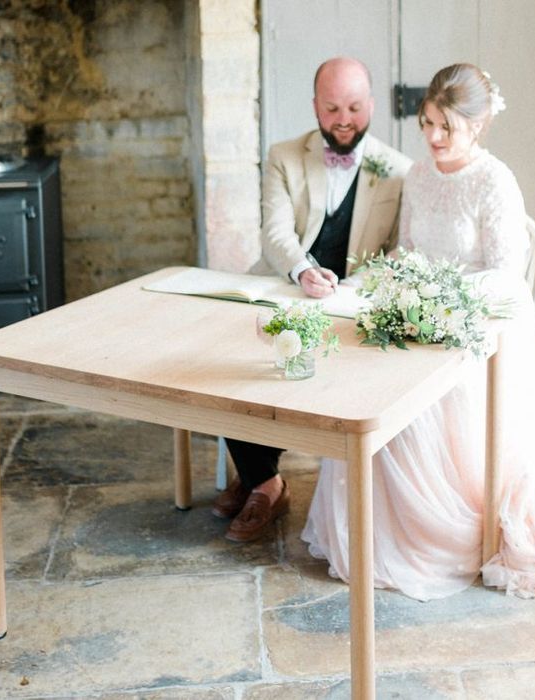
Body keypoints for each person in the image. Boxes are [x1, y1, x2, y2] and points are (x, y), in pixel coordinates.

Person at [301, 63, 535, 600]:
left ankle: (444, 529)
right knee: (366, 371)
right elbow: (406, 249)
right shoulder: (421, 174)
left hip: (474, 327)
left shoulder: (494, 180)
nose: (432, 137)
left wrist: (442, 303)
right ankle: (374, 523)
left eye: (446, 127)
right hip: (421, 315)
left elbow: (504, 275)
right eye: (427, 121)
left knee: (425, 389)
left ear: (477, 126)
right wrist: (398, 289)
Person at [213, 57, 413, 543]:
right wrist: (303, 270)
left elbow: (398, 251)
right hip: (283, 284)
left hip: (350, 302)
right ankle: (265, 479)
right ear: (314, 107)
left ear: (371, 104)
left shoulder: (399, 170)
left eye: (354, 107)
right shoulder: (284, 155)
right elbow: (275, 232)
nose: (343, 119)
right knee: (230, 352)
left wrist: (355, 286)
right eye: (331, 108)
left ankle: (258, 477)